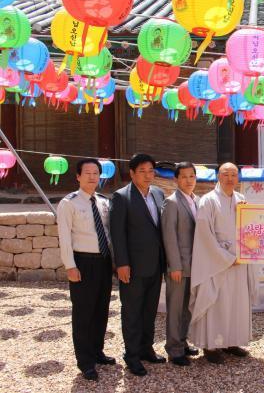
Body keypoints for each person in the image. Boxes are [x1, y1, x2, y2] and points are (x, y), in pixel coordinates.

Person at [188, 162, 259, 364]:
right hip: (216, 262)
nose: (229, 178)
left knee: (236, 302)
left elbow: (251, 228)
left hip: (239, 261)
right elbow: (205, 235)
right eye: (225, 174)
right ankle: (211, 345)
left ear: (238, 178)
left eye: (233, 174)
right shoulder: (208, 200)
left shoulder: (242, 199)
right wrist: (227, 258)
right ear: (218, 176)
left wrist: (246, 252)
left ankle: (231, 341)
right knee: (216, 303)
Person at [57, 159, 115, 381]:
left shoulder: (103, 201)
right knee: (83, 313)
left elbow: (108, 233)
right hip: (83, 262)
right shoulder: (69, 203)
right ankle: (85, 361)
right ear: (78, 176)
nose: (92, 177)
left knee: (101, 309)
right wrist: (70, 266)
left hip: (103, 262)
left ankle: (97, 351)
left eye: (96, 173)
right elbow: (64, 237)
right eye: (87, 173)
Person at [110, 153, 166, 376]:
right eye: (142, 171)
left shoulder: (159, 194)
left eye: (150, 171)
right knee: (132, 312)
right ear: (132, 173)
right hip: (132, 267)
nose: (147, 175)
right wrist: (122, 263)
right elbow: (117, 234)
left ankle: (146, 349)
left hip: (155, 265)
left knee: (150, 310)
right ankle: (132, 355)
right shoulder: (121, 197)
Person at [161, 162, 200, 366]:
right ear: (176, 179)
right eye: (183, 176)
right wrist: (174, 266)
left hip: (196, 265)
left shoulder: (198, 201)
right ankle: (174, 349)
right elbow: (169, 237)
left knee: (187, 307)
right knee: (176, 308)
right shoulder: (172, 202)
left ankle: (183, 342)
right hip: (178, 266)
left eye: (191, 176)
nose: (188, 180)